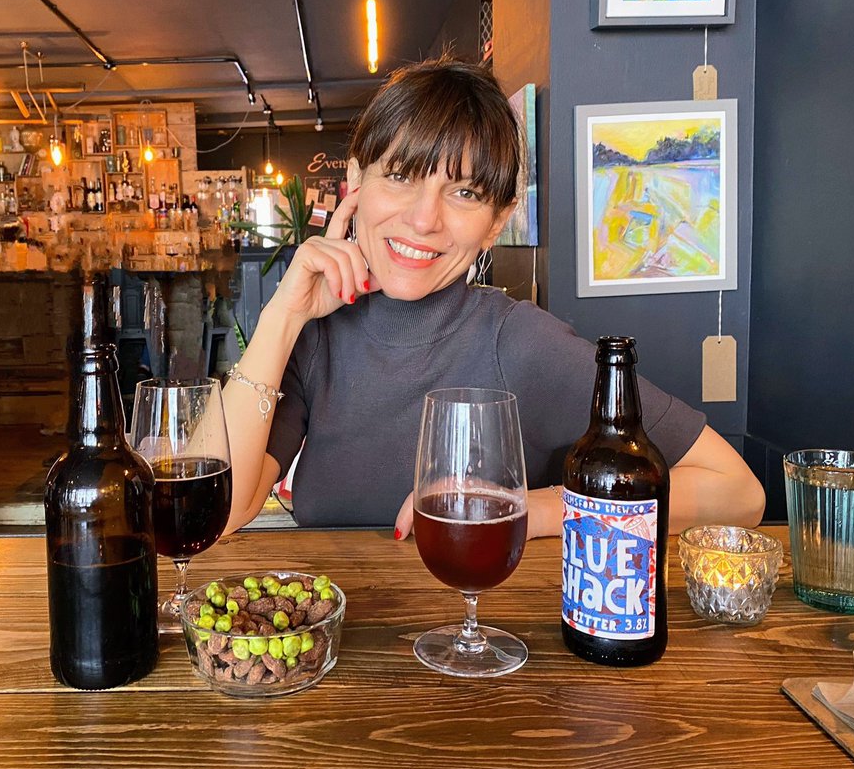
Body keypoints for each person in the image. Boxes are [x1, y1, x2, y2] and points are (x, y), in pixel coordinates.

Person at [222, 58, 764, 539]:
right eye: (402, 176)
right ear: (356, 181)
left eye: (464, 193)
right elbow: (221, 512)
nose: (423, 219)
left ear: (496, 223)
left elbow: (737, 492)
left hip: (485, 641)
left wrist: (534, 511)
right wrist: (282, 316)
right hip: (333, 648)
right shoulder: (316, 335)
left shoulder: (523, 344)